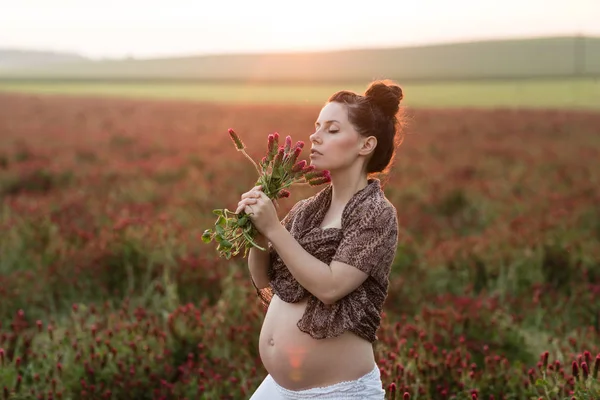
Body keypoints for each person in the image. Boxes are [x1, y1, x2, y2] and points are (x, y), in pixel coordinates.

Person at [235, 79, 405, 399]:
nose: (315, 136)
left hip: (339, 392)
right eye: (316, 126)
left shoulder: (376, 214)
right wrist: (257, 230)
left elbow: (330, 287)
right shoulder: (307, 210)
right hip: (278, 388)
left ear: (365, 145)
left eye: (332, 129)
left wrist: (274, 229)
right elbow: (262, 277)